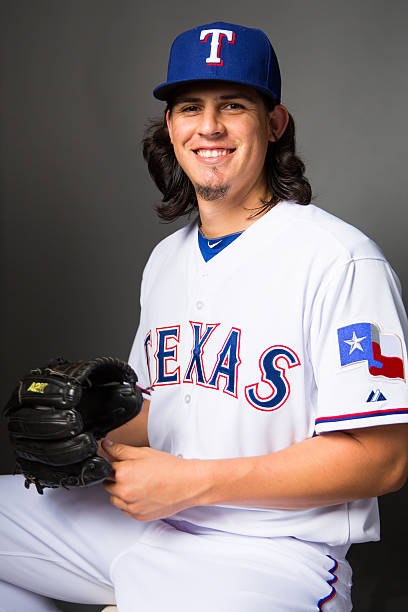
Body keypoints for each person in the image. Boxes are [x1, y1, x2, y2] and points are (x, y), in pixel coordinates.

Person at [1, 21, 408, 612]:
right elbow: (163, 408)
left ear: (273, 124)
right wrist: (90, 428)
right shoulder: (166, 258)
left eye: (233, 105)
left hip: (273, 556)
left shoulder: (341, 260)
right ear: (172, 127)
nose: (209, 127)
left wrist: (192, 482)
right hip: (148, 526)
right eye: (190, 107)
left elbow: (384, 458)